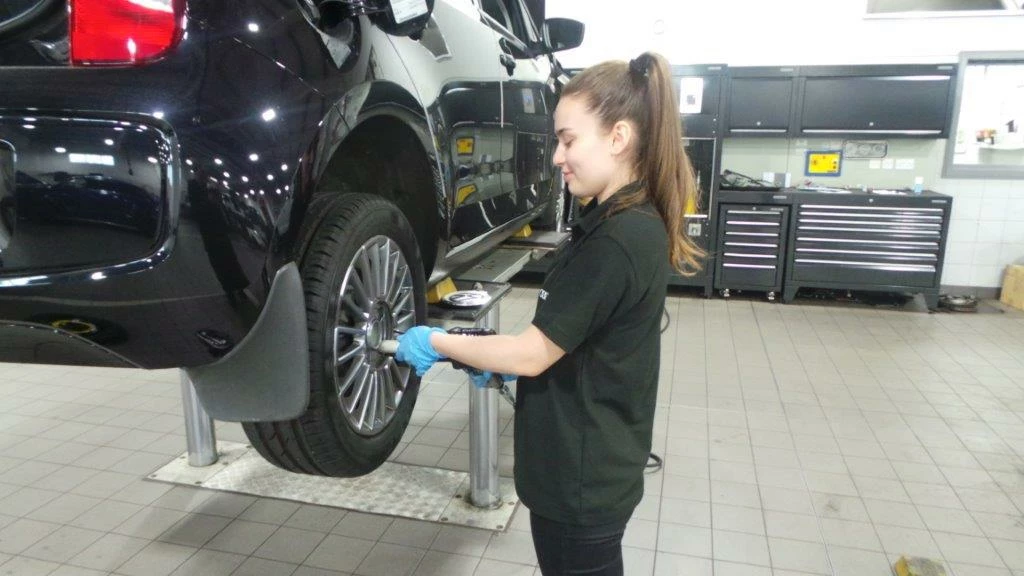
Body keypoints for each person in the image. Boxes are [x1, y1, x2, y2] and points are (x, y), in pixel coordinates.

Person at [396, 51, 703, 576]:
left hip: (580, 482)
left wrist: (438, 341)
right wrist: (492, 356)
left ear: (618, 138)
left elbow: (534, 353)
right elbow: (564, 337)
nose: (558, 157)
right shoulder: (616, 219)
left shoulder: (619, 238)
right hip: (588, 467)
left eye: (568, 139)